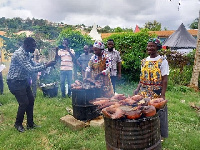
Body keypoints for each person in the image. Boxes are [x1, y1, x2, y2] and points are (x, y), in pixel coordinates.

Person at [7, 37, 56, 132]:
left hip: (23, 81)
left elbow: (33, 65)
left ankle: (30, 124)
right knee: (24, 103)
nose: (35, 48)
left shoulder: (27, 54)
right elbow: (30, 69)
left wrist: (46, 63)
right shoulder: (19, 54)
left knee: (31, 100)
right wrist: (46, 65)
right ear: (27, 45)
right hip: (15, 82)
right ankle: (18, 124)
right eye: (33, 46)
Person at [134, 38, 169, 141]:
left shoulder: (162, 61)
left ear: (157, 47)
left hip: (156, 91)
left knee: (158, 112)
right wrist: (137, 89)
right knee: (145, 111)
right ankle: (147, 132)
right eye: (148, 46)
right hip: (144, 91)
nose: (150, 48)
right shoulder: (144, 61)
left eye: (152, 46)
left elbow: (165, 79)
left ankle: (161, 134)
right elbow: (142, 78)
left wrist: (162, 94)